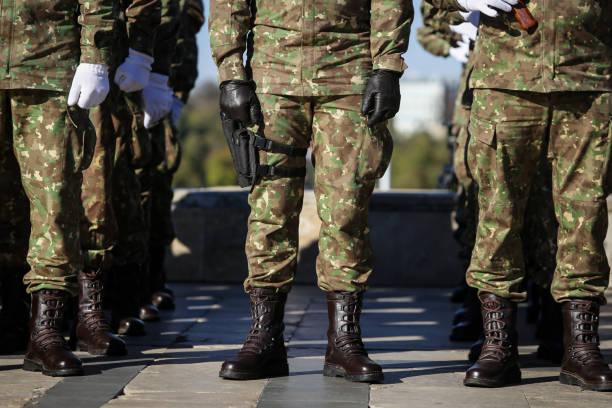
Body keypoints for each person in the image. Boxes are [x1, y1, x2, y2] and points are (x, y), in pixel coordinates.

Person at [209, 0, 413, 383]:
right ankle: (265, 336)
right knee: (270, 212)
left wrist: (387, 67)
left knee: (346, 211)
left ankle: (344, 340)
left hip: (349, 76)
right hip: (273, 79)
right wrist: (231, 74)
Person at [432, 0, 612, 391]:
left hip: (587, 75)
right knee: (498, 216)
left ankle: (581, 347)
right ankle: (498, 344)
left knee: (586, 215)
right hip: (506, 81)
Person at [0, 0, 114, 376]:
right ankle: (14, 321)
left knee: (54, 203)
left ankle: (45, 332)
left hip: (49, 64)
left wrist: (95, 54)